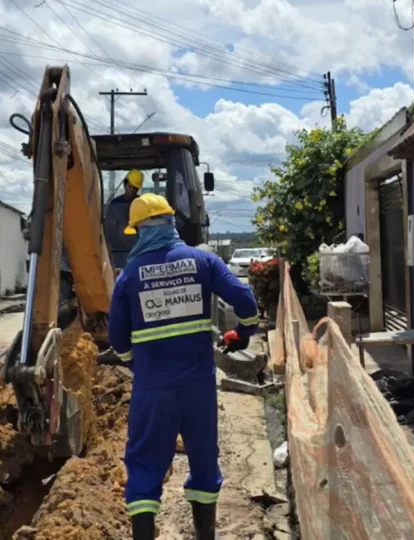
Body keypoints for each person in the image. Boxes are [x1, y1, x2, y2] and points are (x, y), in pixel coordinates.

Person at [107, 193, 259, 540]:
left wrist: (138, 364)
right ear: (171, 223)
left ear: (140, 231)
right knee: (204, 462)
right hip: (198, 388)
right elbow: (246, 303)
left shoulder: (129, 277)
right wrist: (243, 333)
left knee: (144, 468)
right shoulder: (203, 262)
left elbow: (117, 341)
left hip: (152, 389)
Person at [104, 169, 145, 269]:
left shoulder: (142, 203)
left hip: (138, 251)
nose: (132, 190)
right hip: (117, 252)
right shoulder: (115, 205)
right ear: (125, 184)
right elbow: (109, 230)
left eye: (135, 188)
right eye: (130, 186)